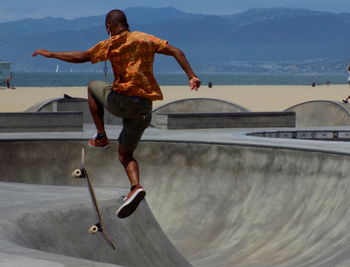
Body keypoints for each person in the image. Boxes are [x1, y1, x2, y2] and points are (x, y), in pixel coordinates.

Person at [32, 9, 201, 218]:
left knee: (93, 86)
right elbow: (178, 51)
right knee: (125, 154)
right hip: (144, 109)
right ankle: (136, 187)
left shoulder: (111, 44)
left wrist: (51, 54)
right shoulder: (146, 39)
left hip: (122, 102)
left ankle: (101, 136)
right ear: (126, 23)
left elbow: (83, 56)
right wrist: (191, 76)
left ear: (108, 27)